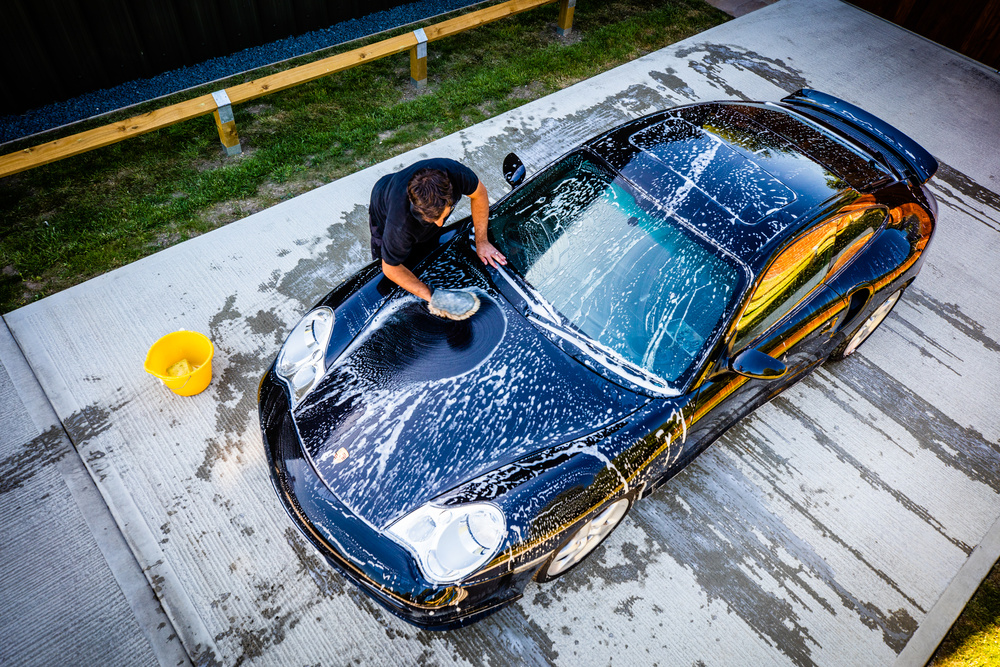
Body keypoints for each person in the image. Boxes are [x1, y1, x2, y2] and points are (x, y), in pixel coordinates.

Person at [368, 157, 506, 320]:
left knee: (427, 245)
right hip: (383, 205)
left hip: (402, 190)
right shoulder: (399, 224)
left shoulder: (455, 174)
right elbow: (390, 268)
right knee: (387, 273)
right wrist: (435, 297)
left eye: (445, 215)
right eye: (432, 220)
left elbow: (479, 194)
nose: (440, 224)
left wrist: (482, 240)